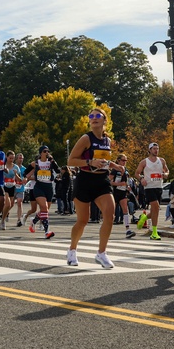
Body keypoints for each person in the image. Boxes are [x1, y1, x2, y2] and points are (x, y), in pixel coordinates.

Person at [66, 108, 118, 268]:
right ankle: (72, 250)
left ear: (104, 120)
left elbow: (103, 160)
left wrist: (114, 165)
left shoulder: (107, 141)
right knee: (83, 220)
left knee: (110, 215)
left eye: (98, 116)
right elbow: (71, 160)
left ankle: (101, 253)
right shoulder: (86, 139)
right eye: (91, 116)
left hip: (102, 180)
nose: (94, 118)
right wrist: (89, 162)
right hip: (85, 180)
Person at [134, 142, 168, 240]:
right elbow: (137, 173)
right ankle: (154, 232)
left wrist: (165, 174)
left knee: (154, 210)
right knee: (156, 207)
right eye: (154, 149)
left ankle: (144, 217)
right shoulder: (144, 162)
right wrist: (141, 179)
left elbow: (167, 171)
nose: (156, 150)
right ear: (149, 150)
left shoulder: (161, 160)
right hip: (149, 187)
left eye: (157, 149)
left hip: (159, 186)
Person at [25, 146, 61, 231]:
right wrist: (29, 177)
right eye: (45, 151)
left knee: (46, 210)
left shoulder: (51, 162)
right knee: (44, 208)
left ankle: (33, 221)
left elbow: (58, 171)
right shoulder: (36, 163)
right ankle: (47, 231)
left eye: (48, 151)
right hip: (39, 186)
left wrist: (53, 161)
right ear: (41, 153)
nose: (47, 153)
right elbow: (25, 172)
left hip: (49, 187)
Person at [109, 154, 136, 238]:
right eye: (123, 160)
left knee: (125, 210)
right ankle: (106, 228)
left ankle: (128, 230)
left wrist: (127, 186)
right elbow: (108, 181)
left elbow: (126, 181)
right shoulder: (114, 170)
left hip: (123, 192)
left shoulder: (126, 170)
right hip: (115, 192)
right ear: (118, 160)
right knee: (111, 213)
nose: (125, 162)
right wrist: (118, 184)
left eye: (126, 160)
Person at [1, 151, 23, 229]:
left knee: (10, 205)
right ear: (6, 157)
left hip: (12, 186)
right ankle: (3, 221)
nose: (11, 160)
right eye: (10, 158)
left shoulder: (16, 167)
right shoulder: (3, 165)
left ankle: (2, 218)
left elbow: (19, 179)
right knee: (7, 204)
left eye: (13, 158)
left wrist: (16, 174)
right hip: (4, 186)